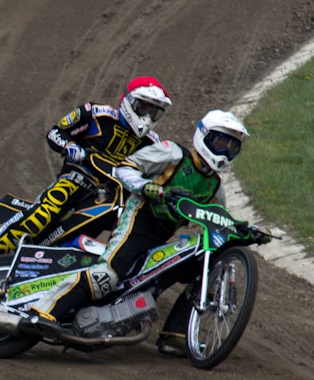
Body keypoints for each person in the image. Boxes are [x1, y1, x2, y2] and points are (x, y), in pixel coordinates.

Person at [25, 109, 271, 353]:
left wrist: (247, 232)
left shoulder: (215, 188)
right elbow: (125, 168)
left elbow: (219, 221)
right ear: (203, 136)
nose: (224, 152)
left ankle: (175, 335)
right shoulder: (172, 153)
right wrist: (149, 187)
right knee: (107, 275)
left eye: (231, 148)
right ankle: (43, 312)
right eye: (220, 143)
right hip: (138, 219)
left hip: (161, 236)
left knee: (203, 270)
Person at [0, 76, 173, 260]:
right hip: (76, 179)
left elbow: (156, 177)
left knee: (121, 237)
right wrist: (70, 146)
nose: (148, 116)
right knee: (41, 216)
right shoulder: (96, 114)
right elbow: (56, 132)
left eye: (154, 112)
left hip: (111, 199)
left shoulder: (153, 145)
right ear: (129, 102)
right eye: (144, 108)